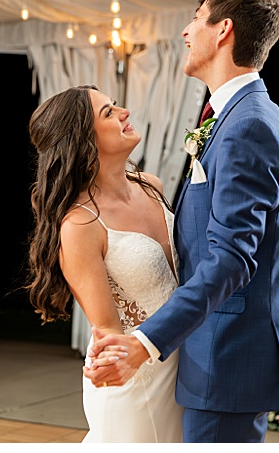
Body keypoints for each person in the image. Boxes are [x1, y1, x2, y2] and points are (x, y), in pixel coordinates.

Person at [85, 0, 279, 443]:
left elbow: (229, 258)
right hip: (209, 352)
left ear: (222, 30)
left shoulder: (247, 126)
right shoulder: (238, 116)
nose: (185, 32)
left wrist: (144, 343)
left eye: (195, 18)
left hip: (226, 357)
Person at [24, 85, 183, 442]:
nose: (125, 112)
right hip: (136, 386)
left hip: (187, 372)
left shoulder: (152, 187)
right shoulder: (80, 225)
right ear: (83, 141)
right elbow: (108, 329)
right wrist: (111, 362)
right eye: (109, 112)